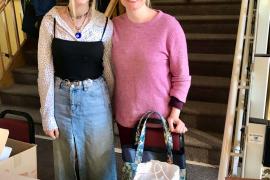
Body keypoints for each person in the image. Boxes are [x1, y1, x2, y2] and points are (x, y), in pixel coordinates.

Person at [37, 0, 117, 179]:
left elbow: (109, 69)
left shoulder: (104, 24)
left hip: (96, 99)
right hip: (61, 99)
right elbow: (45, 70)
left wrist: (112, 107)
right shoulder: (51, 20)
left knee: (100, 162)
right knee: (66, 162)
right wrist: (47, 115)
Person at [112, 0, 191, 146]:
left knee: (160, 169)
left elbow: (182, 77)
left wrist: (175, 113)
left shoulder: (169, 26)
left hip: (160, 121)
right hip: (126, 120)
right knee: (132, 168)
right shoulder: (113, 27)